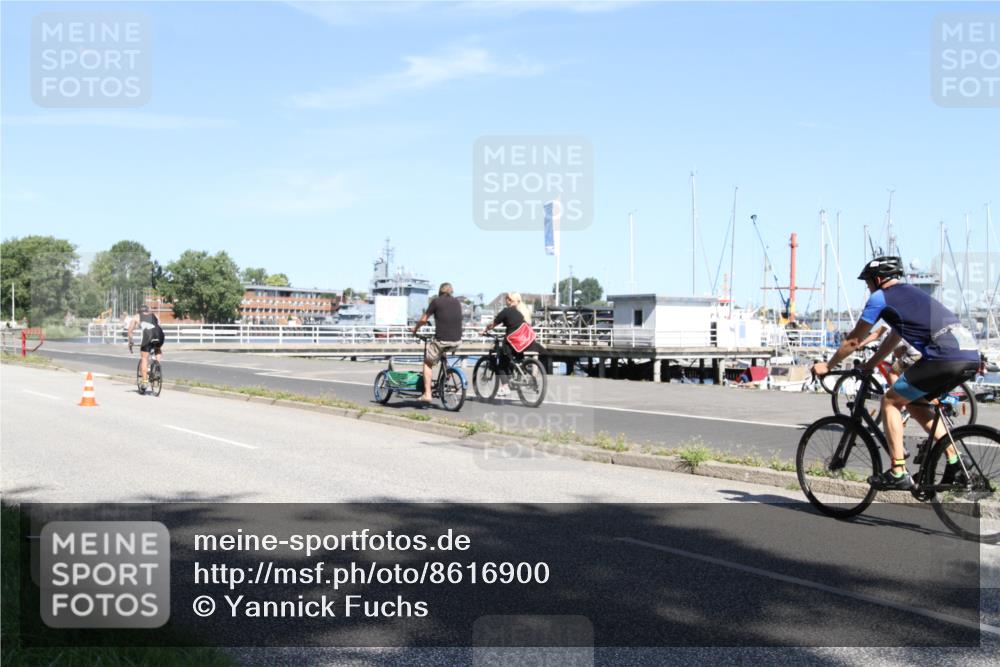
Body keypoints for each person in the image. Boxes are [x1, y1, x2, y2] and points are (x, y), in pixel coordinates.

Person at [813, 256, 980, 490]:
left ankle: (898, 471)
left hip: (944, 357)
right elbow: (895, 336)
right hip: (970, 356)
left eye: (868, 283)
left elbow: (852, 341)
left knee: (890, 401)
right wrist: (871, 363)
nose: (867, 288)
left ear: (878, 279)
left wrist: (828, 366)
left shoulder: (879, 297)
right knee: (911, 401)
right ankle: (955, 462)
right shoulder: (913, 294)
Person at [411, 283, 463, 403]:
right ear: (451, 291)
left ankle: (427, 394)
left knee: (428, 363)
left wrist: (415, 329)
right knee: (442, 352)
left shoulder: (436, 302)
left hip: (442, 340)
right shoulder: (457, 302)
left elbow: (424, 319)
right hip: (457, 341)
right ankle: (446, 375)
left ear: (440, 292)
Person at [482, 292, 533, 397]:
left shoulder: (506, 311)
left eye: (506, 299)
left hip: (512, 341)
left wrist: (485, 330)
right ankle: (517, 375)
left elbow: (493, 323)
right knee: (515, 360)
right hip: (522, 342)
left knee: (501, 363)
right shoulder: (520, 312)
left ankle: (505, 387)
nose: (505, 301)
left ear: (510, 301)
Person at [126, 304, 164, 389]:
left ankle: (144, 381)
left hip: (148, 337)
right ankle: (157, 367)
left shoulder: (136, 317)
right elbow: (159, 326)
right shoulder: (155, 315)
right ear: (147, 310)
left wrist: (130, 342)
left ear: (139, 311)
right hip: (160, 335)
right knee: (157, 348)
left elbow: (130, 331)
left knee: (144, 358)